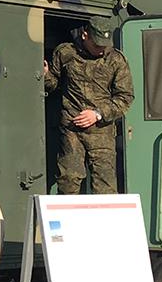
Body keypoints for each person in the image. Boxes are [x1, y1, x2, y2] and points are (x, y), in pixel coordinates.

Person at [43, 17, 135, 195]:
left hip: (101, 132)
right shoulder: (65, 53)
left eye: (104, 45)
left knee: (105, 185)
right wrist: (45, 75)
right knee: (68, 179)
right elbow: (53, 84)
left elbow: (125, 97)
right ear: (85, 35)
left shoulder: (115, 60)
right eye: (97, 45)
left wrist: (98, 114)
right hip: (72, 130)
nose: (102, 50)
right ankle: (67, 222)